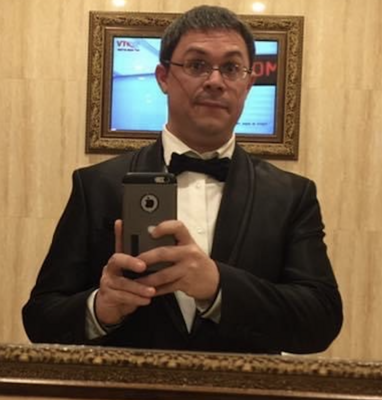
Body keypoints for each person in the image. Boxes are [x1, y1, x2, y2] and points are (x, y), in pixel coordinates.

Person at [22, 5, 342, 354]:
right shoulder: (97, 185)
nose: (215, 81)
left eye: (231, 68)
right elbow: (40, 319)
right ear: (163, 77)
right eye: (197, 65)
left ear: (249, 84)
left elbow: (321, 321)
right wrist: (100, 309)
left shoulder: (292, 196)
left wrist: (218, 287)